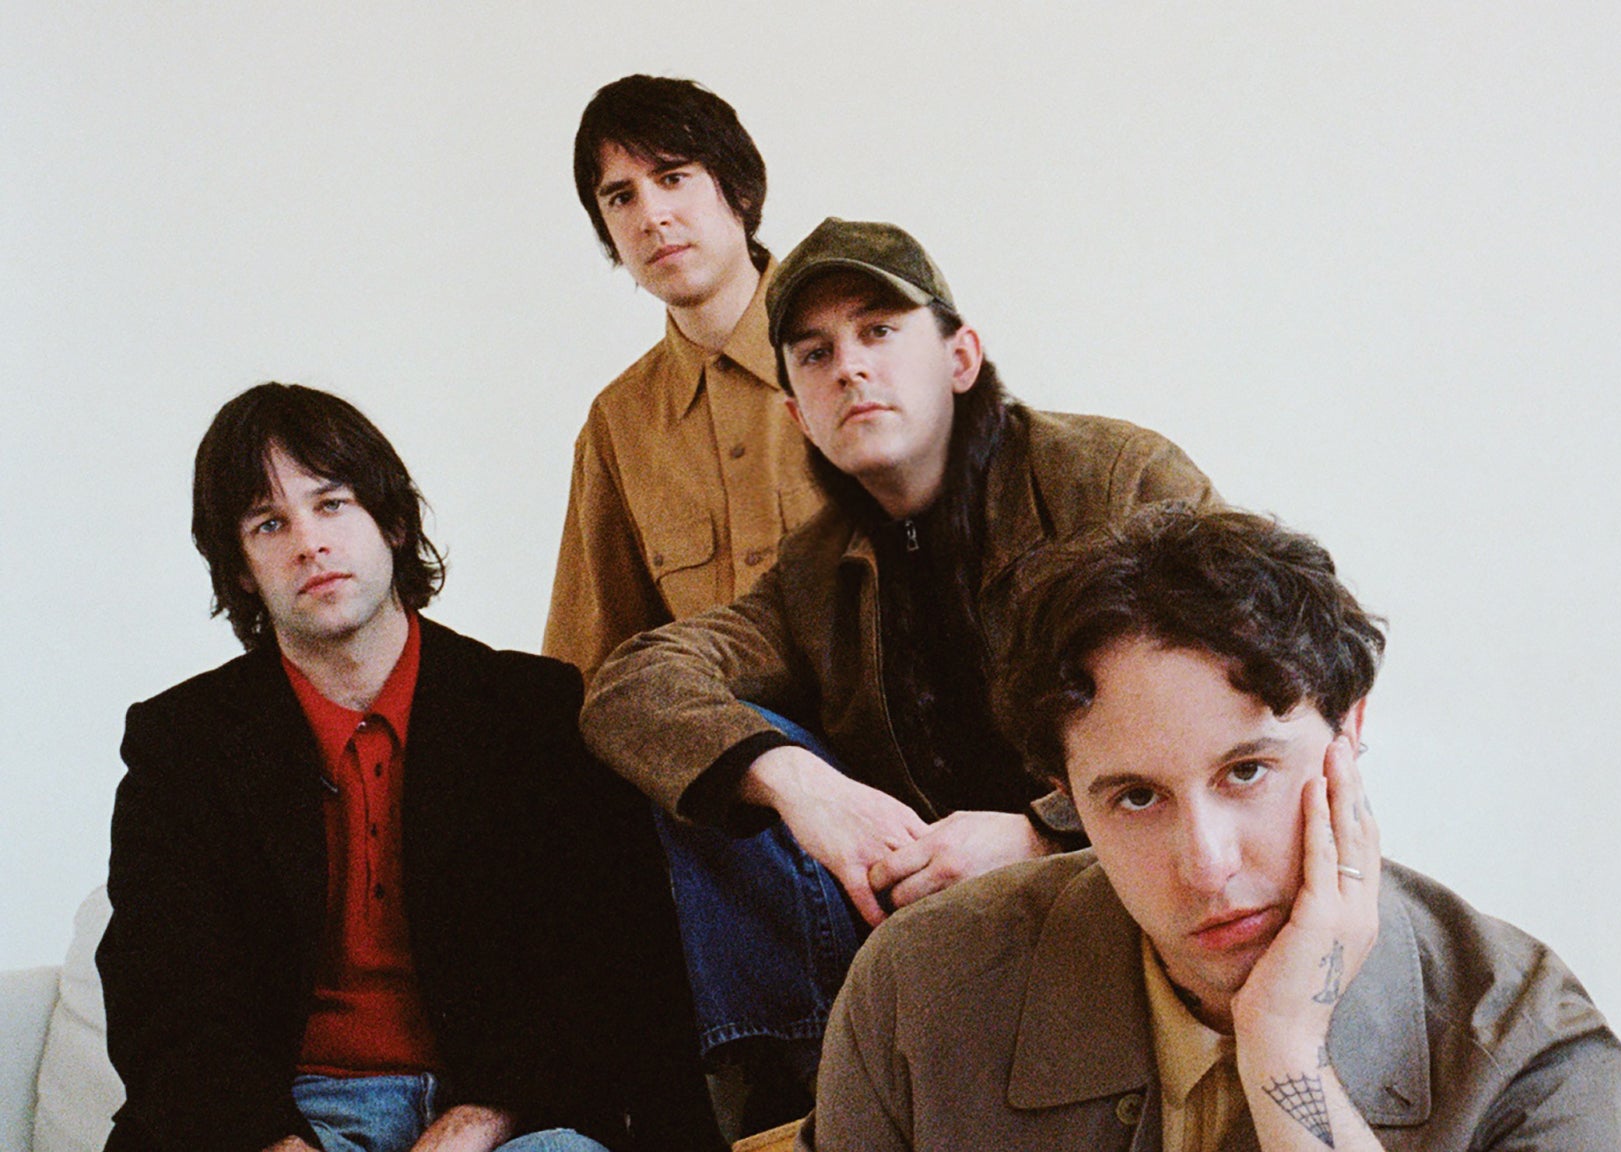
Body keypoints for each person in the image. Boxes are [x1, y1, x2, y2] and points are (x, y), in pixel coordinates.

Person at [579, 218, 1217, 1122]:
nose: (849, 367)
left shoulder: (1113, 480)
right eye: (815, 353)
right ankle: (801, 1102)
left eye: (879, 331)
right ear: (796, 413)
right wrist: (798, 783)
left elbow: (1249, 687)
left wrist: (1040, 833)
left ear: (961, 357)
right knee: (711, 768)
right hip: (936, 943)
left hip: (1133, 892)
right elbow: (635, 681)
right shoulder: (814, 573)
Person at [801, 505, 1621, 1151]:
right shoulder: (921, 989)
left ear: (1348, 732)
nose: (1206, 865)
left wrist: (1287, 1055)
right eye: (1136, 798)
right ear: (1066, 797)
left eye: (1248, 772)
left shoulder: (1529, 1048)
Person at [98, 384, 718, 1152]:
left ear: (391, 521)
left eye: (332, 504)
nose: (309, 543)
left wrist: (481, 1119)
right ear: (243, 569)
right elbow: (164, 999)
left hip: (504, 1115)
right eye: (269, 523)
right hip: (287, 1119)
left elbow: (603, 965)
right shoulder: (183, 743)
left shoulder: (532, 711)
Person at [546, 74, 823, 679]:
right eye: (621, 197)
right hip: (717, 733)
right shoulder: (619, 425)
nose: (651, 216)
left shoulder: (862, 354)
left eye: (672, 178)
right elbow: (593, 668)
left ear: (740, 189)